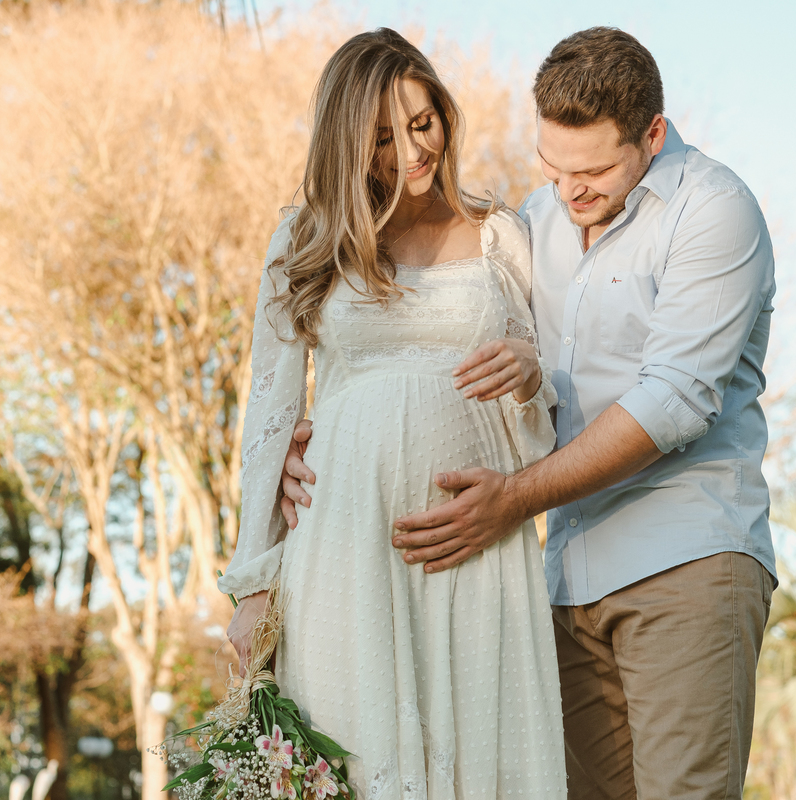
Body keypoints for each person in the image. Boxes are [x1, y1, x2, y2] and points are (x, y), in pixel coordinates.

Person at [282, 27, 777, 800]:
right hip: (565, 580)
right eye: (553, 165)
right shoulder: (536, 221)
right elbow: (496, 354)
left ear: (653, 135)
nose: (570, 191)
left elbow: (674, 402)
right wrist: (325, 435)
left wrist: (513, 498)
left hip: (682, 560)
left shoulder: (713, 211)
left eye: (594, 171)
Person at [219, 28, 568, 799]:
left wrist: (528, 378)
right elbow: (270, 417)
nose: (413, 152)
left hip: (477, 556)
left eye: (422, 123)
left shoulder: (499, 235)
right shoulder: (304, 238)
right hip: (345, 551)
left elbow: (538, 443)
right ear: (346, 144)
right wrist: (254, 587)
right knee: (353, 762)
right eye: (382, 138)